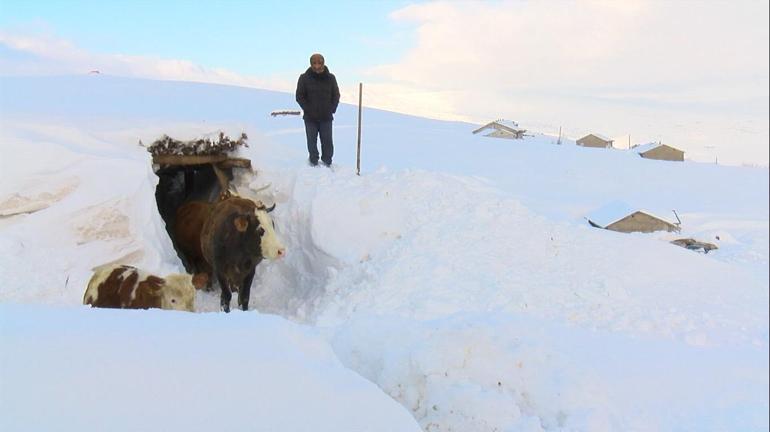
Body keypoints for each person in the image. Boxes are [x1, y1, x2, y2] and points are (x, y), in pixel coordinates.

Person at [295, 53, 340, 167]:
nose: (317, 65)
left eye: (319, 63)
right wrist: (308, 109)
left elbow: (336, 95)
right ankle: (313, 162)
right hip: (310, 118)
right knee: (311, 142)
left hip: (326, 117)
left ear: (323, 63)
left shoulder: (331, 78)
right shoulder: (304, 78)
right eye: (314, 63)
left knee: (327, 142)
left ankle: (327, 162)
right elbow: (299, 96)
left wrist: (332, 109)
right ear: (311, 64)